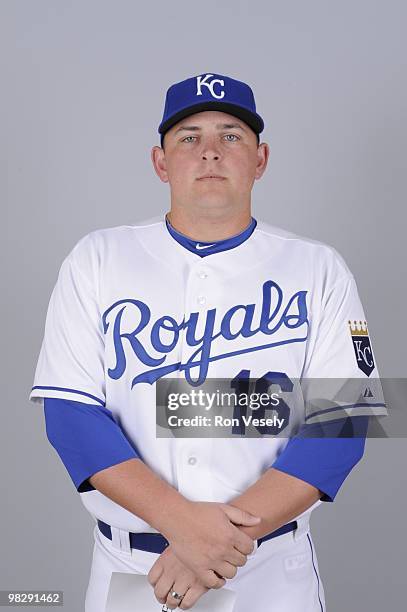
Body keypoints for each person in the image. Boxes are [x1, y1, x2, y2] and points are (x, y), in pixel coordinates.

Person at [29, 72, 387, 611]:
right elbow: (70, 416)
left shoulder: (319, 268)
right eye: (189, 137)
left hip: (269, 572)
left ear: (260, 159)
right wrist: (184, 526)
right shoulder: (97, 258)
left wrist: (220, 542)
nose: (210, 152)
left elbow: (343, 423)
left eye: (231, 136)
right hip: (135, 571)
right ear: (160, 161)